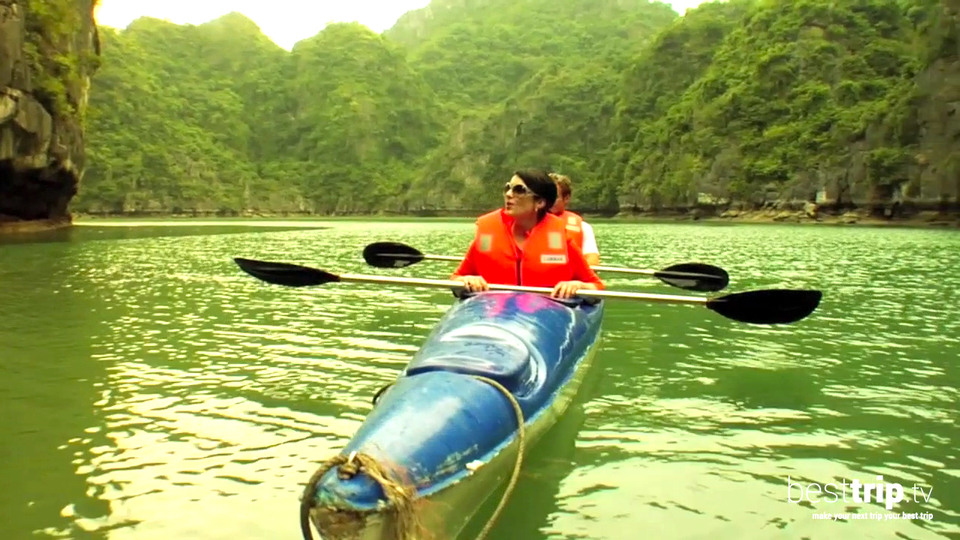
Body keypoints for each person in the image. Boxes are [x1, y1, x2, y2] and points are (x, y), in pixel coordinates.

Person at [451, 169, 604, 299]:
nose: (509, 194)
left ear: (540, 202)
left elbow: (596, 286)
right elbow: (456, 279)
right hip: (494, 313)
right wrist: (467, 280)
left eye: (519, 190)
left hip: (544, 316)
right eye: (508, 188)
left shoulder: (561, 238)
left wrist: (578, 285)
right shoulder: (487, 236)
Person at [548, 173, 600, 266]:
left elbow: (592, 260)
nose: (548, 201)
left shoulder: (584, 228)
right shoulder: (526, 223)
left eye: (554, 197)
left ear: (566, 198)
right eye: (546, 196)